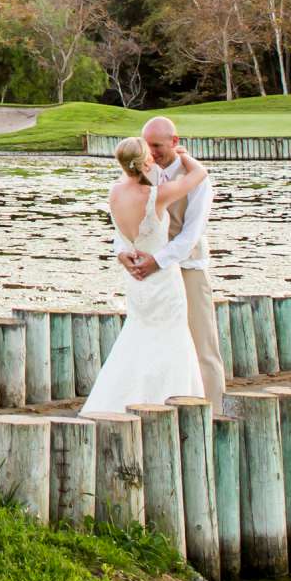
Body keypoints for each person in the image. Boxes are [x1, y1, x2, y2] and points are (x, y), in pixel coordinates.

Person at [80, 133, 209, 414]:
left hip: (135, 278)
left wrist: (120, 254)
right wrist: (183, 154)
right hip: (162, 279)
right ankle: (168, 404)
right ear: (145, 161)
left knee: (137, 337)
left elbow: (119, 235)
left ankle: (118, 403)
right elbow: (200, 173)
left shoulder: (115, 193)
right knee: (172, 340)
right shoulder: (156, 196)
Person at [116, 115, 227, 403]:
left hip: (187, 268)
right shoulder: (142, 174)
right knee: (156, 343)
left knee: (201, 344)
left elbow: (192, 233)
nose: (151, 153)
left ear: (175, 142)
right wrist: (122, 252)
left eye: (157, 146)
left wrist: (159, 260)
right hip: (152, 276)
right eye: (147, 146)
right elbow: (122, 221)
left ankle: (211, 410)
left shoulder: (197, 180)